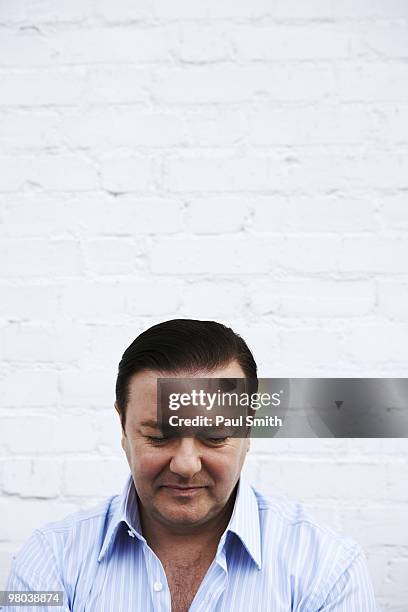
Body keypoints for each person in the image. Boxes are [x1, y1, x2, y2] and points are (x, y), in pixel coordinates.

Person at [4, 319, 378, 611]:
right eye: (159, 436)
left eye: (214, 436)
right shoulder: (48, 561)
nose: (185, 464)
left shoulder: (328, 569)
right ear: (123, 428)